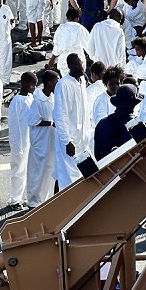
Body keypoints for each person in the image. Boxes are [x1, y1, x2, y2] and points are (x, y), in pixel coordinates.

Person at [53, 53, 89, 190]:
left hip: (82, 138)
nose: (80, 66)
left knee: (81, 176)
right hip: (69, 140)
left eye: (80, 63)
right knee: (68, 177)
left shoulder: (82, 81)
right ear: (69, 66)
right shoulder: (63, 85)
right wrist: (67, 141)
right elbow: (60, 115)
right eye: (76, 64)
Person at [26, 70, 58, 207]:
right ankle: (33, 201)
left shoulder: (52, 97)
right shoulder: (37, 100)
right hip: (40, 140)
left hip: (50, 139)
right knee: (37, 169)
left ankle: (45, 199)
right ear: (49, 83)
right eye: (56, 81)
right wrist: (51, 123)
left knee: (49, 168)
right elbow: (32, 120)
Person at [8, 71, 36, 210]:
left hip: (29, 140)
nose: (34, 88)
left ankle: (20, 196)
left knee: (26, 170)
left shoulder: (30, 98)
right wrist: (17, 145)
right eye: (32, 85)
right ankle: (14, 199)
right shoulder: (17, 101)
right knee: (18, 171)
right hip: (20, 142)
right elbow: (14, 125)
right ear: (24, 84)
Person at [93, 84, 141, 161]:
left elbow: (97, 154)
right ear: (134, 104)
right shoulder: (137, 127)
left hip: (104, 171)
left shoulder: (101, 124)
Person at [49, 7, 90, 76]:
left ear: (67, 17)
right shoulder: (80, 28)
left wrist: (52, 59)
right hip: (78, 61)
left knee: (66, 82)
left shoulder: (61, 28)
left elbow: (56, 47)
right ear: (77, 18)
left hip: (64, 62)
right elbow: (88, 46)